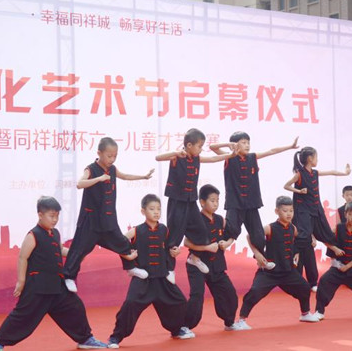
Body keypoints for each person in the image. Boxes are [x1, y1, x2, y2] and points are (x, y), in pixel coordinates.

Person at [0, 196, 107, 351]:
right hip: (37, 288)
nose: (55, 219)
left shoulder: (55, 233)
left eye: (57, 216)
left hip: (57, 286)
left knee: (75, 307)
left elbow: (60, 250)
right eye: (51, 216)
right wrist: (21, 281)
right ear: (40, 215)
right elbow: (23, 257)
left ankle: (85, 339)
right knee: (23, 317)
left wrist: (76, 253)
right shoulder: (33, 235)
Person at [63, 137, 154, 293]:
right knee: (79, 250)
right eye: (109, 156)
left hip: (108, 219)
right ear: (99, 153)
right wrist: (99, 179)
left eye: (115, 156)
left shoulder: (112, 169)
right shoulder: (91, 169)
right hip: (90, 221)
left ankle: (131, 268)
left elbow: (124, 176)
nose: (112, 159)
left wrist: (143, 177)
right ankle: (69, 277)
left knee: (122, 243)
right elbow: (79, 184)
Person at [105, 194, 191, 348]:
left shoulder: (164, 229)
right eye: (152, 209)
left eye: (158, 209)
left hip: (162, 278)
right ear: (143, 211)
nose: (156, 212)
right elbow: (119, 243)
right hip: (143, 279)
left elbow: (170, 247)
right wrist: (130, 261)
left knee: (179, 301)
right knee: (130, 304)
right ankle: (115, 337)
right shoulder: (136, 230)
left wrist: (173, 252)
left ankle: (176, 329)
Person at [156, 128, 236, 282]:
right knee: (174, 236)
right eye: (199, 146)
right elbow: (158, 157)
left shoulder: (197, 159)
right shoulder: (176, 157)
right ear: (189, 145)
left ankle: (195, 257)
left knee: (201, 230)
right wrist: (175, 153)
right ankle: (169, 269)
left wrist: (230, 155)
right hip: (177, 201)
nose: (201, 149)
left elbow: (212, 159)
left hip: (191, 201)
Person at [210, 132, 299, 270]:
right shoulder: (229, 157)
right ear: (235, 144)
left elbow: (271, 151)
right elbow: (212, 147)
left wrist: (290, 146)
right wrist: (229, 145)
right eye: (243, 142)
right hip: (235, 203)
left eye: (248, 142)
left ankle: (261, 261)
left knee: (258, 236)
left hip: (251, 204)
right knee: (231, 229)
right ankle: (221, 251)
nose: (247, 145)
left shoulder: (253, 157)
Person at [235, 196, 319, 330]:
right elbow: (250, 235)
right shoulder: (270, 228)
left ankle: (305, 313)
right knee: (255, 292)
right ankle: (241, 320)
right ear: (277, 211)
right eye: (285, 211)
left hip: (288, 271)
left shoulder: (293, 229)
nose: (289, 214)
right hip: (269, 272)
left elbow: (297, 242)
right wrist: (257, 254)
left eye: (291, 210)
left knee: (304, 287)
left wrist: (297, 252)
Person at [283, 146, 348, 291]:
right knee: (304, 237)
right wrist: (299, 190)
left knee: (327, 234)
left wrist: (344, 173)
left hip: (316, 208)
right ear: (310, 159)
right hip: (303, 210)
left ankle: (335, 259)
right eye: (316, 157)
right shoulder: (299, 174)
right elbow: (286, 186)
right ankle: (294, 257)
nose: (317, 160)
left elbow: (331, 172)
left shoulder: (315, 173)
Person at [180, 184, 241, 336]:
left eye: (217, 200)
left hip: (217, 264)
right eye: (212, 200)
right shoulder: (196, 219)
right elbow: (186, 242)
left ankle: (229, 322)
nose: (216, 203)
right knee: (197, 296)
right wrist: (206, 248)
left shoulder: (220, 219)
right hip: (197, 263)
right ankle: (184, 327)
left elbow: (232, 234)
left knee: (229, 294)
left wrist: (226, 243)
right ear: (202, 202)